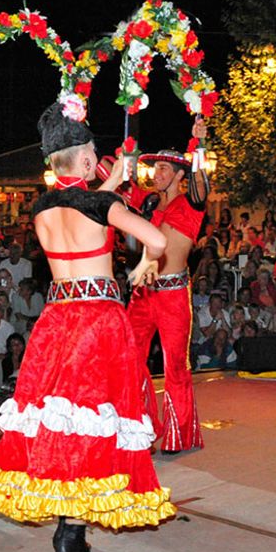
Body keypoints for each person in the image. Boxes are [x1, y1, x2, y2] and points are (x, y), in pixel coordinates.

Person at [0, 96, 174, 552]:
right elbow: (155, 239)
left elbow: (86, 200)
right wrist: (145, 261)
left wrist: (114, 179)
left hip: (57, 320)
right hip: (98, 321)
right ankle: (70, 534)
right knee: (92, 426)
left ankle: (69, 531)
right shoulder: (101, 203)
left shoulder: (41, 206)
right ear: (84, 158)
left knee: (62, 422)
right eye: (93, 155)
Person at [102, 118, 210, 453]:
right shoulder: (148, 202)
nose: (157, 174)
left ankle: (180, 435)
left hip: (174, 293)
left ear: (180, 174)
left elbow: (202, 182)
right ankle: (141, 426)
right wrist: (125, 156)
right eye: (156, 168)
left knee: (175, 365)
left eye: (163, 168)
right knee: (130, 359)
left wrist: (200, 146)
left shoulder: (192, 201)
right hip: (142, 293)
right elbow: (110, 174)